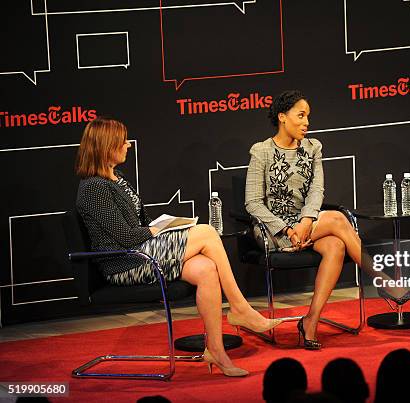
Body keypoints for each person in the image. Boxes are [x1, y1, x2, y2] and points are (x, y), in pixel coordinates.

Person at [75, 117, 282, 377]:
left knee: (206, 268)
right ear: (106, 146)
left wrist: (164, 226)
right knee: (206, 232)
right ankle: (239, 307)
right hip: (127, 263)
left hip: (143, 251)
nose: (128, 145)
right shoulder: (94, 188)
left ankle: (216, 350)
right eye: (122, 141)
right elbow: (126, 237)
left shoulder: (117, 178)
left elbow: (141, 222)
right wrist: (157, 230)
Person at [245, 90, 410, 350]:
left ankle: (311, 321)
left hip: (307, 224)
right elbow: (253, 203)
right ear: (282, 117)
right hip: (273, 230)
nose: (306, 122)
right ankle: (384, 282)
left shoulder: (313, 148)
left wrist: (305, 221)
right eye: (300, 116)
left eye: (308, 117)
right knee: (336, 219)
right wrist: (288, 228)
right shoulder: (261, 152)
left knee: (336, 245)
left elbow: (316, 191)